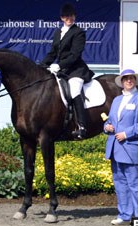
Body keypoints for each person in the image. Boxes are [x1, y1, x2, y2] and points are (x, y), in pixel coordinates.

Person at [103, 69, 138, 225]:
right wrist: (107, 127)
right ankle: (124, 214)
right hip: (116, 148)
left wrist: (126, 134)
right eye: (126, 79)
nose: (129, 81)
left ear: (135, 81)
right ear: (122, 82)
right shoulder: (117, 100)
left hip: (134, 148)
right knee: (120, 184)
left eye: (131, 78)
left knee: (137, 184)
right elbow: (110, 120)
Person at [41, 2, 94, 139]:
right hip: (63, 70)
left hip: (76, 70)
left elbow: (75, 55)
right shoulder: (58, 32)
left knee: (74, 90)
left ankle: (82, 126)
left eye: (71, 16)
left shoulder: (79, 32)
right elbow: (53, 53)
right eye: (66, 16)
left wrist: (59, 65)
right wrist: (41, 65)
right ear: (62, 18)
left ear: (74, 16)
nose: (69, 18)